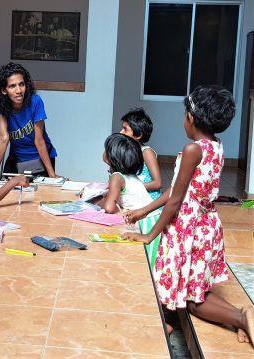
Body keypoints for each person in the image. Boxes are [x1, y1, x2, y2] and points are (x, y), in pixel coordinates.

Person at [123, 85, 253, 345]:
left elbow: (173, 201)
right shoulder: (216, 146)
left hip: (188, 229)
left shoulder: (193, 150)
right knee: (198, 289)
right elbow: (173, 189)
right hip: (206, 226)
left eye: (184, 115)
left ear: (191, 118)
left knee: (193, 303)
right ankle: (241, 316)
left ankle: (242, 318)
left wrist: (150, 235)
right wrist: (141, 212)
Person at [0, 62, 58, 180]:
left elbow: (39, 141)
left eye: (21, 84)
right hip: (16, 159)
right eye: (12, 86)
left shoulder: (35, 102)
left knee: (37, 196)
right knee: (6, 194)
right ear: (4, 90)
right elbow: (3, 138)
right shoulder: (0, 105)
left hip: (40, 159)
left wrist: (52, 175)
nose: (19, 90)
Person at [99, 133, 161, 267]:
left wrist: (100, 201)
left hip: (145, 223)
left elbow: (109, 208)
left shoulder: (117, 177)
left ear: (111, 157)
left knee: (148, 262)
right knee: (152, 261)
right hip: (153, 220)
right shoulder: (131, 176)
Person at [120, 108, 162, 200]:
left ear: (138, 135)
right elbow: (106, 158)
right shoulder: (126, 151)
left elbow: (157, 183)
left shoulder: (146, 152)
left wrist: (128, 188)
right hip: (132, 197)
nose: (121, 132)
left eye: (125, 129)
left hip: (147, 200)